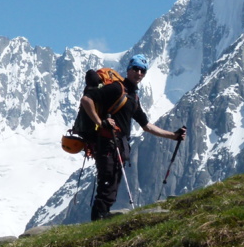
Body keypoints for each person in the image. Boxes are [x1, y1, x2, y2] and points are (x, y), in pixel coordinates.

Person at [79, 54, 186, 221]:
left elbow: (147, 126)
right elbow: (87, 100)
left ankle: (101, 219)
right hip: (106, 142)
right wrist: (100, 123)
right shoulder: (116, 88)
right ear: (128, 69)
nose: (138, 73)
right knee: (107, 183)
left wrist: (173, 136)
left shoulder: (133, 98)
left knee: (112, 183)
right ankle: (97, 221)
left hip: (118, 144)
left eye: (142, 70)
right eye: (135, 69)